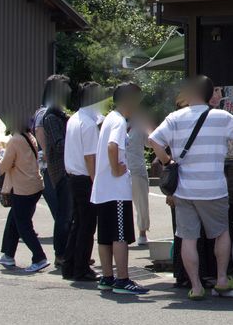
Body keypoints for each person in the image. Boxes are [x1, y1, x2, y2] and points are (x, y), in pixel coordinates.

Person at [149, 75, 233, 299]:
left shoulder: (174, 117)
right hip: (213, 189)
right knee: (221, 234)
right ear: (209, 95)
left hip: (184, 191)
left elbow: (154, 140)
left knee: (188, 238)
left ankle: (196, 286)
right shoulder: (220, 117)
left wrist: (168, 161)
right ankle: (221, 279)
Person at [90, 82, 148, 295]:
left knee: (105, 236)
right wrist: (116, 169)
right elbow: (113, 146)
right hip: (116, 190)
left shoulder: (108, 119)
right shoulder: (119, 122)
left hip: (103, 189)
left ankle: (107, 277)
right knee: (120, 235)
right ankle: (122, 279)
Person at [62, 82, 103, 282]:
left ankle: (69, 265)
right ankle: (81, 268)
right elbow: (90, 158)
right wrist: (96, 183)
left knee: (77, 224)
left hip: (73, 176)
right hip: (86, 178)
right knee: (87, 226)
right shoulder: (88, 124)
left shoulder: (75, 118)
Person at [0, 119, 49, 273]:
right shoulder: (29, 136)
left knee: (23, 224)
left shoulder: (14, 140)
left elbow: (3, 166)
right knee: (14, 220)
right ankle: (8, 254)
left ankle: (39, 257)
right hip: (34, 185)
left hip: (22, 188)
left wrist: (0, 155)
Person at [35, 74, 73, 267]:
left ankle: (70, 251)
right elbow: (57, 145)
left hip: (66, 169)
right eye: (65, 88)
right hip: (59, 171)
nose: (69, 91)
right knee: (63, 215)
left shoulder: (60, 114)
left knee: (69, 214)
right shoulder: (49, 116)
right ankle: (61, 254)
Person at [126, 111, 152, 246]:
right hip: (119, 170)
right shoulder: (113, 122)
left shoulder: (139, 123)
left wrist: (148, 128)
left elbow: (150, 143)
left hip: (136, 169)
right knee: (120, 205)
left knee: (142, 203)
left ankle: (142, 233)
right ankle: (122, 236)